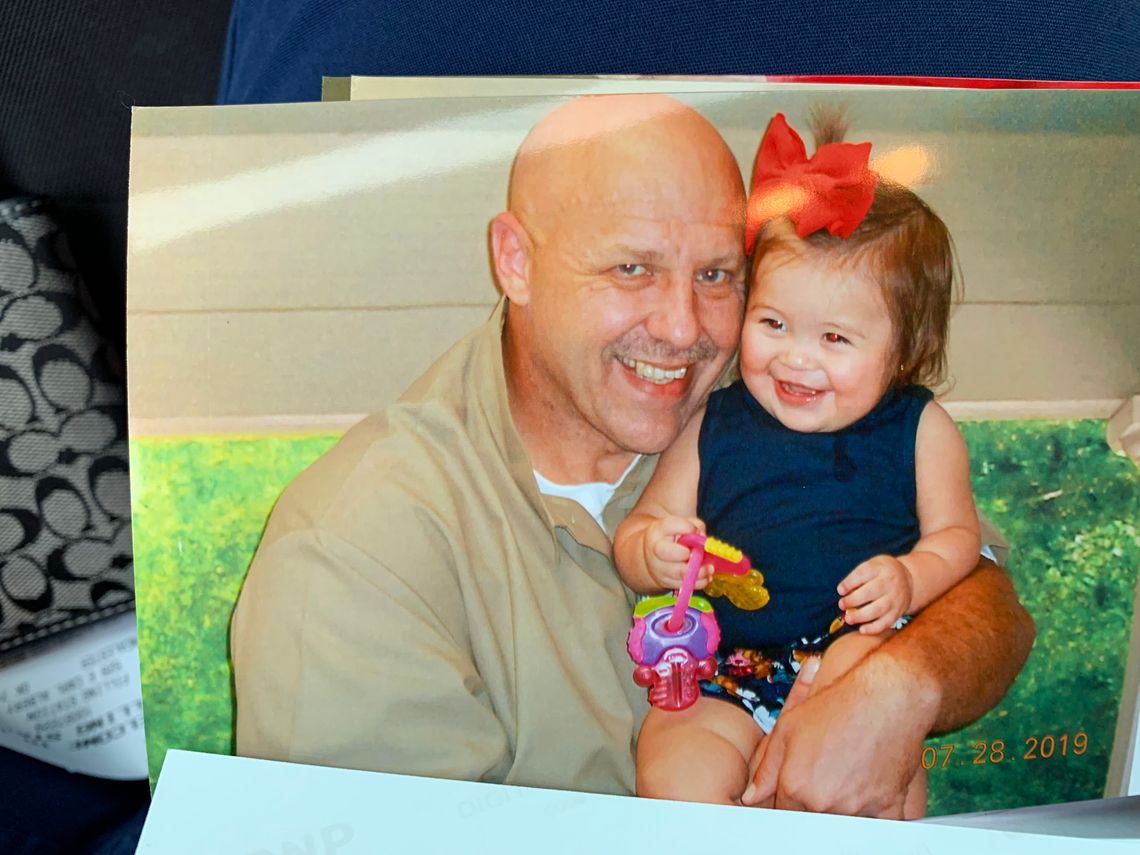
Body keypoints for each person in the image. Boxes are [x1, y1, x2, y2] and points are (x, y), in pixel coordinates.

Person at [230, 93, 1034, 817]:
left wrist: (901, 685)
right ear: (517, 261)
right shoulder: (351, 550)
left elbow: (988, 600)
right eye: (631, 267)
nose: (684, 329)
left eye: (717, 274)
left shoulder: (762, 412)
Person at [615, 111, 980, 816]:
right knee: (669, 765)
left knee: (876, 747)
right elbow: (642, 526)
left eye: (836, 337)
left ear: (904, 350)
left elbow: (959, 539)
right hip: (727, 664)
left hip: (852, 656)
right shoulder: (713, 421)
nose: (796, 357)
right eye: (773, 322)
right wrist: (651, 549)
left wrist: (910, 575)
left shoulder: (920, 428)